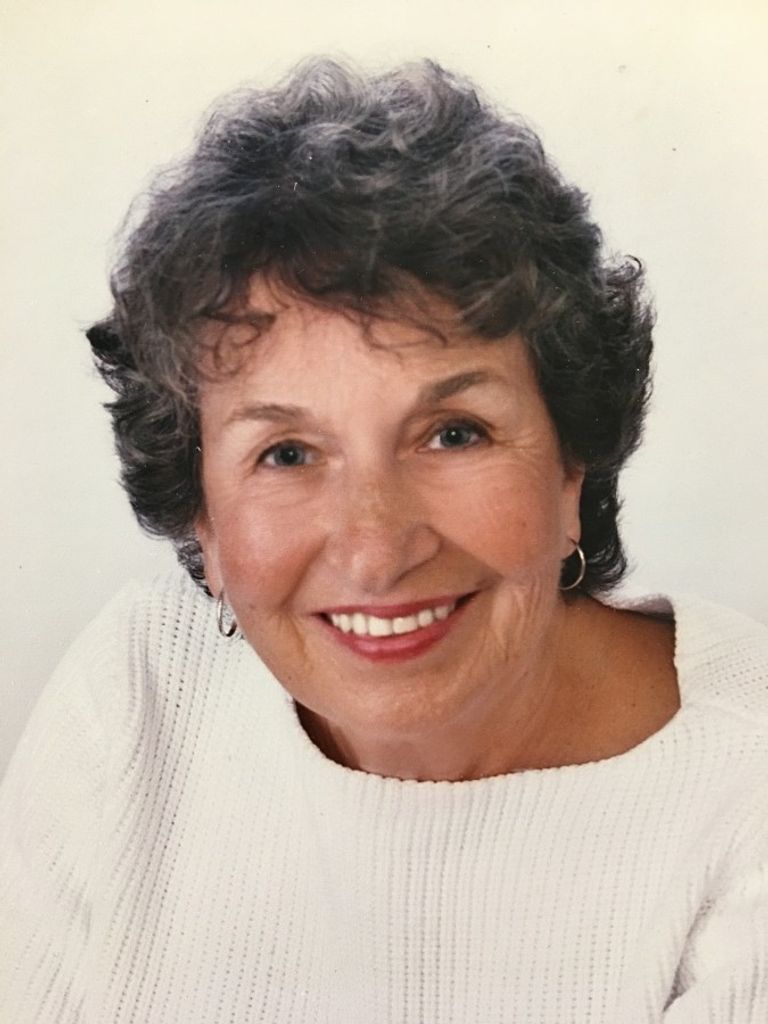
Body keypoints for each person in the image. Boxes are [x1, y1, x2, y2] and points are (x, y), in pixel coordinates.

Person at [1, 57, 767, 1024]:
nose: (374, 549)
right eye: (286, 453)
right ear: (203, 519)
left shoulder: (746, 801)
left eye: (453, 434)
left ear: (572, 466)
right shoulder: (137, 692)